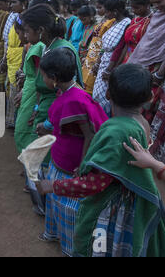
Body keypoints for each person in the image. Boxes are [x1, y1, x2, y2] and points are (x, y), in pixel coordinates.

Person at [38, 64, 165, 257]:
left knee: (98, 247)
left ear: (108, 94)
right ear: (149, 98)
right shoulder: (142, 123)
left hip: (111, 209)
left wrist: (54, 185)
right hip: (131, 202)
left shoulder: (115, 132)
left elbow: (95, 184)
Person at [34, 48, 108, 256]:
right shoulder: (68, 92)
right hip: (61, 156)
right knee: (55, 202)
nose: (42, 79)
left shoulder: (75, 99)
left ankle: (69, 249)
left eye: (43, 76)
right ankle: (53, 233)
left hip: (71, 165)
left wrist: (83, 166)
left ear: (54, 78)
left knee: (67, 208)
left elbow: (91, 133)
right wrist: (48, 127)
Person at [17, 3, 84, 215]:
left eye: (27, 30)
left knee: (45, 156)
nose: (25, 35)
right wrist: (37, 107)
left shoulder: (61, 50)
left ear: (41, 30)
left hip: (56, 112)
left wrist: (49, 122)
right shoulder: (48, 46)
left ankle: (47, 204)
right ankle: (42, 200)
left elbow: (66, 93)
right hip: (46, 107)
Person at [127, 0, 165, 125]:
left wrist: (159, 74)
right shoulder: (158, 15)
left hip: (158, 71)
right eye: (154, 4)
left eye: (160, 2)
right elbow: (147, 42)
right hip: (142, 65)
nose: (157, 7)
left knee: (147, 108)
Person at [92, 0, 131, 115]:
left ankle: (104, 121)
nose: (106, 14)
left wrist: (110, 69)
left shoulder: (127, 23)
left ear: (115, 11)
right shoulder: (114, 22)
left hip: (112, 63)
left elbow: (120, 49)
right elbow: (104, 46)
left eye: (108, 11)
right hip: (104, 61)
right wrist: (98, 63)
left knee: (105, 97)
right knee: (97, 95)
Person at [81, 0, 114, 95]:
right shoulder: (103, 20)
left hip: (99, 54)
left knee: (92, 80)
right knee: (85, 79)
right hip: (92, 53)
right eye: (97, 7)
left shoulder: (112, 22)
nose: (97, 10)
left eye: (100, 7)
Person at [5, 0, 29, 128]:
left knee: (18, 87)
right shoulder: (15, 17)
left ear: (24, 3)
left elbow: (24, 42)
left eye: (14, 2)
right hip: (11, 55)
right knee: (12, 87)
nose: (11, 5)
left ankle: (17, 122)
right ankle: (12, 120)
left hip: (20, 56)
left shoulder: (25, 19)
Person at [111, 0, 152, 65]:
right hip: (127, 59)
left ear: (147, 5)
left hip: (141, 61)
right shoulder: (134, 20)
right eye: (132, 7)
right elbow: (127, 45)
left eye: (136, 8)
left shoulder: (152, 21)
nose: (133, 10)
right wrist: (118, 64)